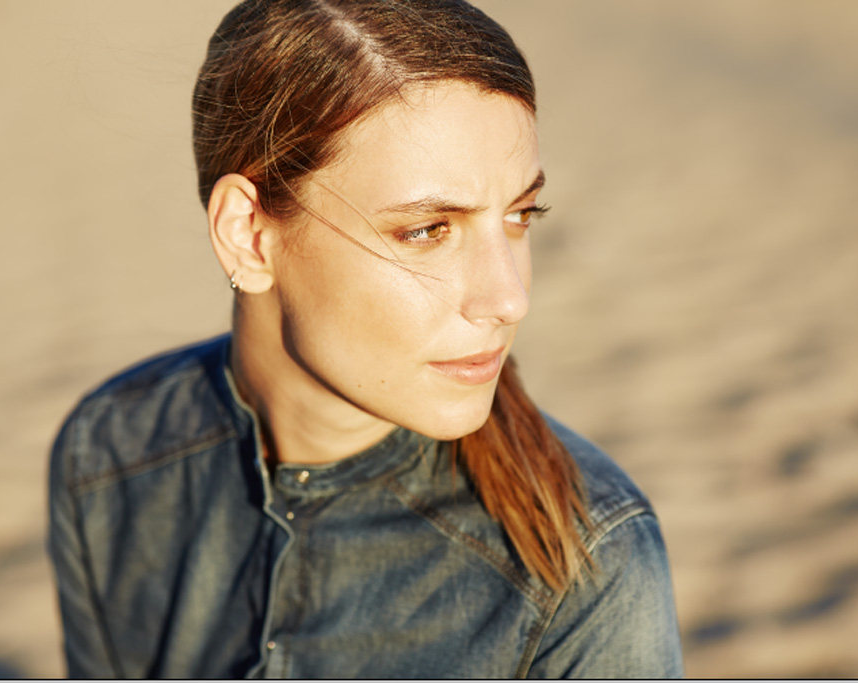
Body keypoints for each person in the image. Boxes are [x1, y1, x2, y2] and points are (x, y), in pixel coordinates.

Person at [48, 0, 684, 677]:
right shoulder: (110, 454)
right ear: (249, 235)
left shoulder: (591, 569)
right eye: (427, 230)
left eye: (521, 215)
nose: (510, 299)